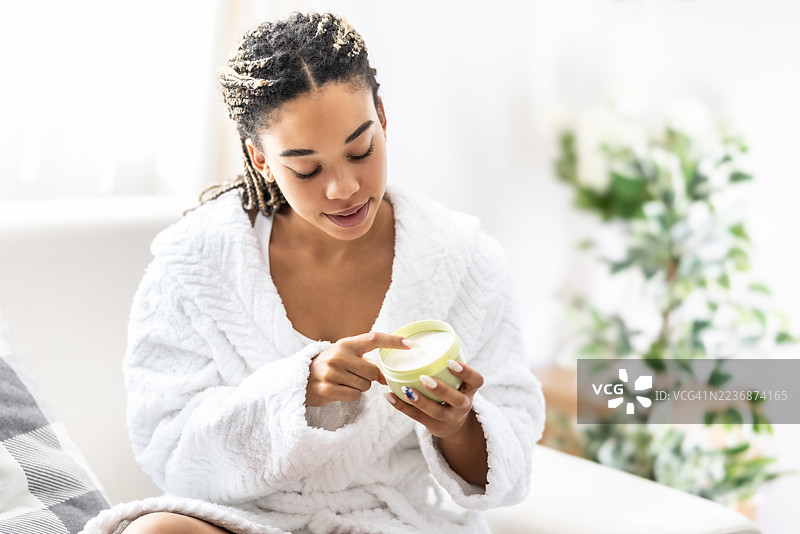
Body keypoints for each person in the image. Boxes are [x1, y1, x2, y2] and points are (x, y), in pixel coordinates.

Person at [81, 11, 544, 534]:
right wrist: (298, 393)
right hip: (254, 520)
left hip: (392, 522)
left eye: (360, 150)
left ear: (383, 119)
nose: (343, 188)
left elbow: (512, 455)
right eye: (307, 169)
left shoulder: (464, 261)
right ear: (260, 159)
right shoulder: (195, 263)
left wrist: (458, 425)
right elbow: (167, 448)